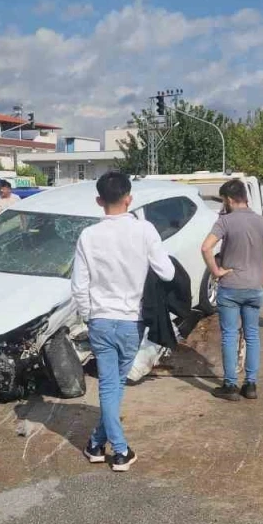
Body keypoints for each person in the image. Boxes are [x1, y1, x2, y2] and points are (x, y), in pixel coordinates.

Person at [71, 172, 174, 472]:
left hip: (100, 320)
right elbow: (167, 273)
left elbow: (79, 285)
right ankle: (120, 450)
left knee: (110, 386)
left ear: (98, 201)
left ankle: (95, 444)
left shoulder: (88, 235)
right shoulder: (145, 230)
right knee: (115, 385)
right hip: (131, 320)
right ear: (129, 199)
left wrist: (89, 315)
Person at [202, 179, 263, 400]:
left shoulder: (225, 221)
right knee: (252, 335)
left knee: (230, 335)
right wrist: (260, 284)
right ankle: (251, 384)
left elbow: (205, 247)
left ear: (229, 199)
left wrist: (216, 271)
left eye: (224, 200)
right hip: (254, 286)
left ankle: (230, 385)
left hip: (231, 286)